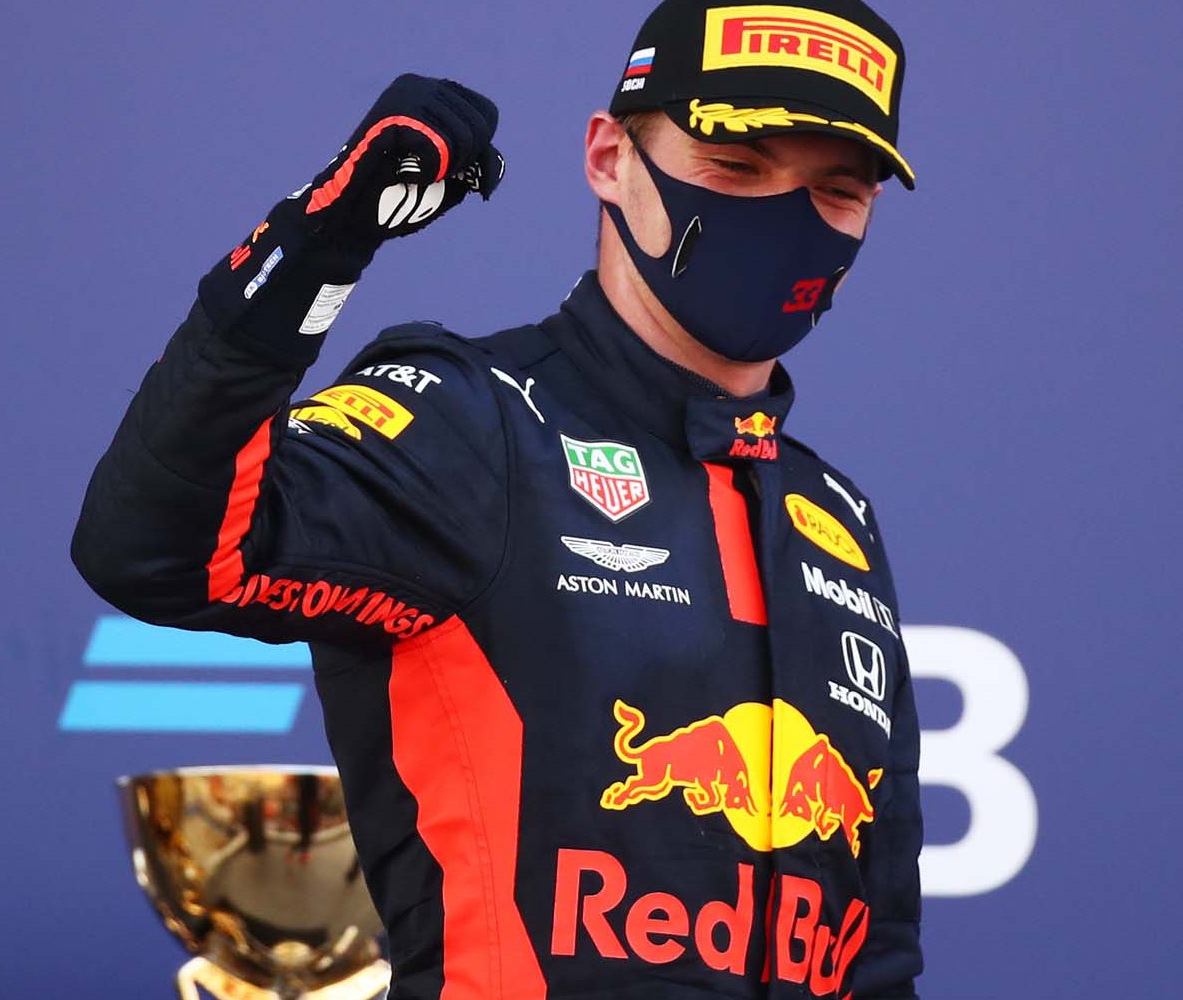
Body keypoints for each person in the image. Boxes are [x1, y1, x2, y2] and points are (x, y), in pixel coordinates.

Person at [72, 1, 923, 996]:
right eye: (734, 170)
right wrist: (314, 249)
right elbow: (156, 547)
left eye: (835, 191)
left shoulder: (839, 519)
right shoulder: (473, 420)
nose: (783, 218)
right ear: (608, 158)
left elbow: (876, 953)